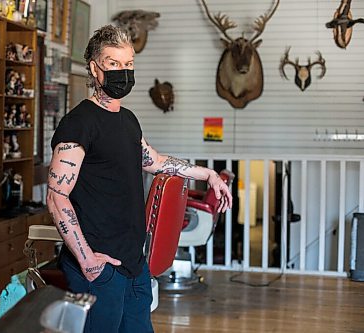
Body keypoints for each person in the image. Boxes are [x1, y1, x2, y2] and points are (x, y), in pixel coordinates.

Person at [46, 25, 233, 333]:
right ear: (94, 68)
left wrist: (208, 174)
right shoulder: (78, 123)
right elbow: (56, 196)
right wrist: (88, 260)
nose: (124, 71)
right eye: (114, 64)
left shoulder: (128, 120)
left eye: (129, 63)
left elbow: (154, 161)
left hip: (133, 262)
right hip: (99, 265)